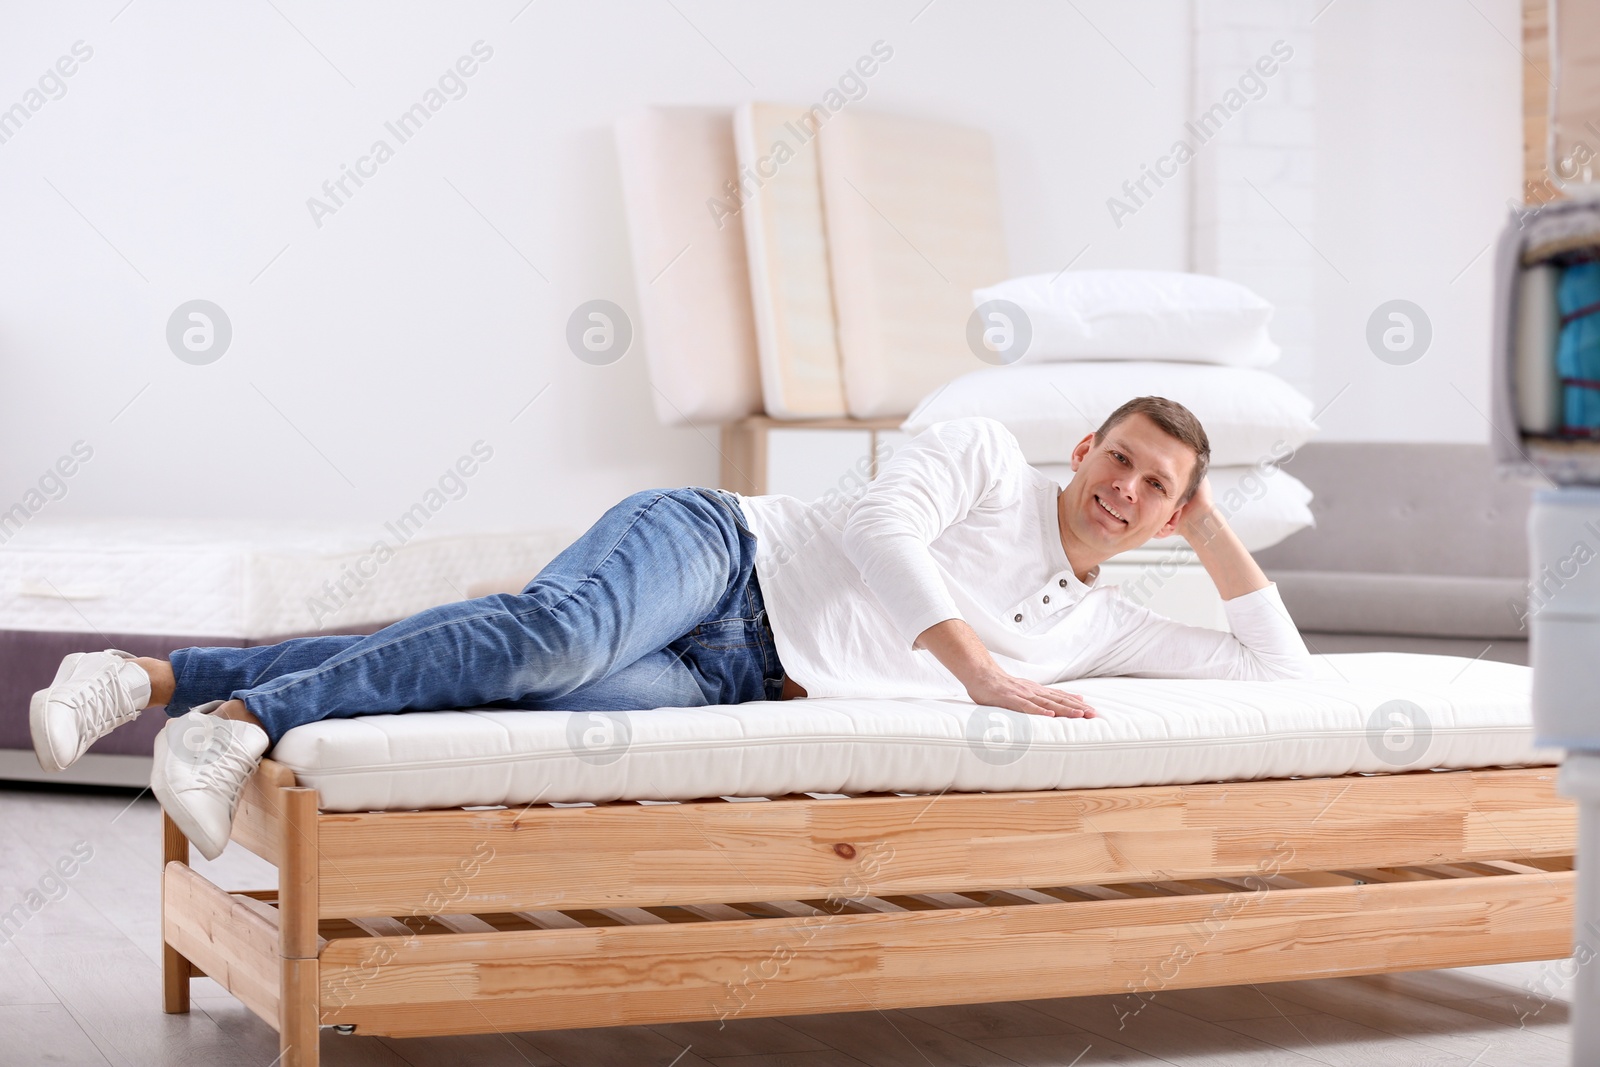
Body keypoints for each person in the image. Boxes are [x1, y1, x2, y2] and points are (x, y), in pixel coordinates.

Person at [29, 396, 1309, 859]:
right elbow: (877, 531)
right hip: (719, 552)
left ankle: (151, 674)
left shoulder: (1101, 625)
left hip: (734, 683)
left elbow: (1274, 665)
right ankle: (236, 719)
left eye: (1156, 488)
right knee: (556, 638)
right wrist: (975, 670)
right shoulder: (981, 454)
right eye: (1120, 460)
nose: (1122, 489)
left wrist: (1211, 525)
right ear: (1082, 446)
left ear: (1165, 520)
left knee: (509, 661)